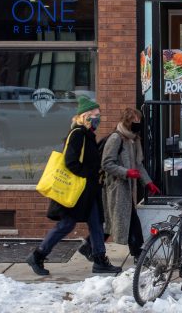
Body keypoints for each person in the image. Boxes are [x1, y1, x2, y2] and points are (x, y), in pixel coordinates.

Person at [26, 96, 122, 275]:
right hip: (78, 190)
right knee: (67, 224)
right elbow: (71, 161)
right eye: (95, 115)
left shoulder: (88, 135)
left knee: (96, 223)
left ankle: (100, 260)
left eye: (98, 115)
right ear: (85, 116)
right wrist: (89, 174)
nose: (98, 118)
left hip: (89, 190)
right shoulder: (78, 134)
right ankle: (37, 255)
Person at [100, 107, 161, 263]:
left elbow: (138, 165)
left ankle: (89, 246)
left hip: (127, 189)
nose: (138, 123)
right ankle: (138, 255)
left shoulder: (133, 139)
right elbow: (107, 163)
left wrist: (148, 183)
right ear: (127, 121)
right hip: (117, 188)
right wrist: (126, 172)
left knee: (119, 222)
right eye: (136, 120)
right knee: (129, 222)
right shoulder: (116, 138)